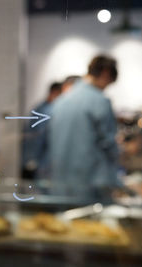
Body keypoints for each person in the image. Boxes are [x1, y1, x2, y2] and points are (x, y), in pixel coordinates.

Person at [49, 55, 120, 201]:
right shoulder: (99, 102)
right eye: (108, 83)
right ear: (105, 73)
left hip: (59, 185)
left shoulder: (61, 101)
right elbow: (109, 145)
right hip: (90, 186)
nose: (106, 88)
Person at [22, 82, 62, 182]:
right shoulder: (47, 111)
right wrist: (31, 160)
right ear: (55, 93)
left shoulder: (39, 108)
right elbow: (38, 138)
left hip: (34, 160)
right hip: (41, 162)